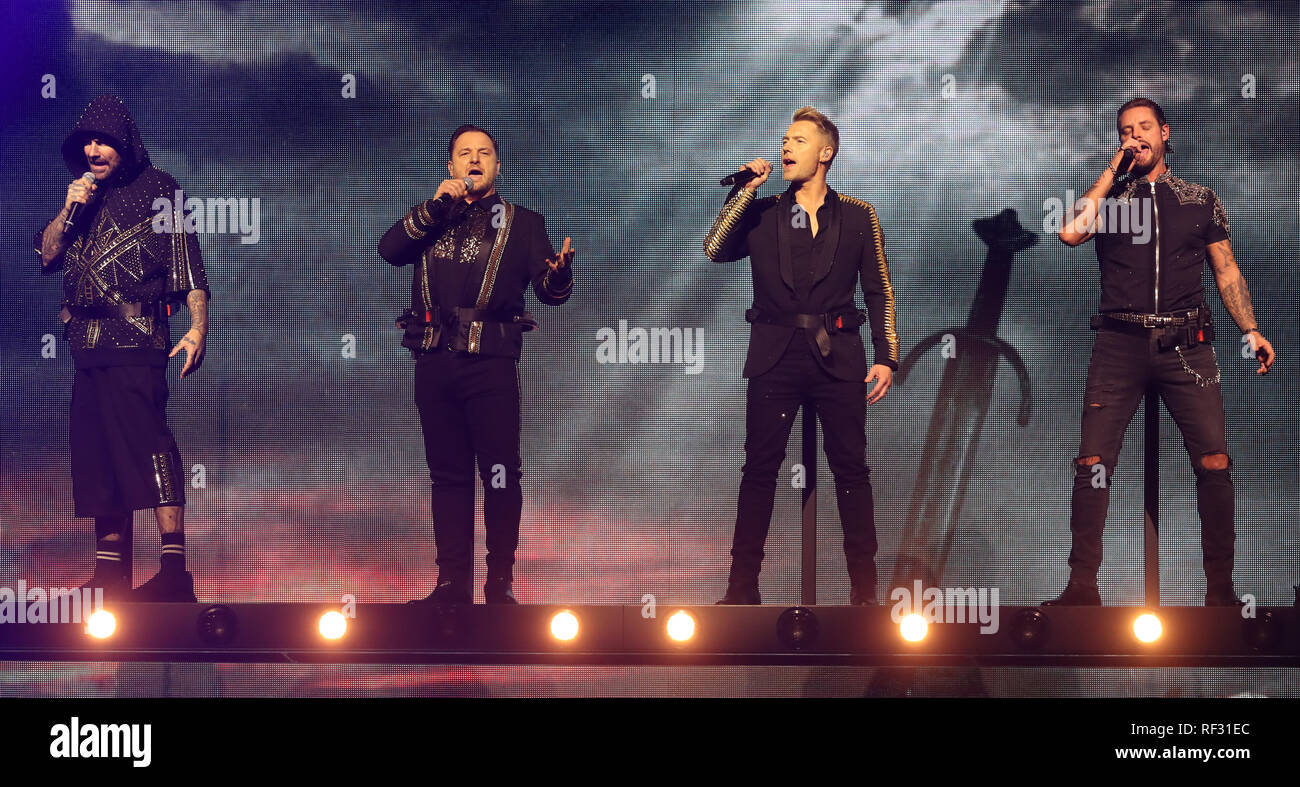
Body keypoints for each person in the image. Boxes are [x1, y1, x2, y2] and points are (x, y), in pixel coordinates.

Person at [1045, 98, 1275, 607]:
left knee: (1214, 461)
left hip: (1186, 346)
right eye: (1127, 130)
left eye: (1144, 127)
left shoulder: (1198, 198)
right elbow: (1069, 232)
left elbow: (1226, 270)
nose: (1136, 135)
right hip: (1119, 344)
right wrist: (1112, 167)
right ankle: (1082, 586)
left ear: (1165, 133)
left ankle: (1221, 590)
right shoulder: (1112, 198)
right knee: (1093, 462)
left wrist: (1251, 329)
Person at [703, 107, 900, 605]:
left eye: (798, 140)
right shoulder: (764, 210)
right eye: (784, 140)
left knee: (851, 468)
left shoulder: (858, 214)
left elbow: (878, 288)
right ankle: (742, 586)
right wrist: (744, 189)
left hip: (840, 353)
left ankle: (864, 589)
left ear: (825, 153)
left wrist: (887, 356)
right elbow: (714, 248)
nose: (786, 147)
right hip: (775, 354)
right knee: (760, 467)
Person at [378, 124, 574, 604]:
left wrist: (560, 275)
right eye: (464, 153)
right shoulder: (431, 218)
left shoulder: (523, 223)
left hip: (490, 360)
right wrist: (434, 206)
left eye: (484, 153)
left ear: (497, 165)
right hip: (433, 358)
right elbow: (389, 250)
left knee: (501, 472)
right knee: (447, 475)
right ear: (450, 167)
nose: (474, 159)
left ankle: (500, 581)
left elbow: (551, 294)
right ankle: (450, 583)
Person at [34, 95, 211, 602]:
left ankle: (174, 572)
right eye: (87, 141)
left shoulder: (160, 188)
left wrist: (198, 328)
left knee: (148, 445)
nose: (93, 149)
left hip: (138, 341)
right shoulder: (81, 198)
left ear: (124, 144)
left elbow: (189, 272)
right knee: (97, 454)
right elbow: (46, 256)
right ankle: (110, 574)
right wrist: (70, 209)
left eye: (103, 140)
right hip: (85, 346)